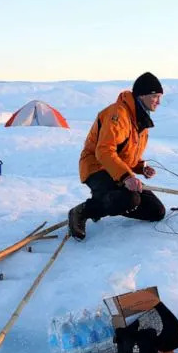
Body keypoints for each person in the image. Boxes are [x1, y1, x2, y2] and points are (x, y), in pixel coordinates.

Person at [68, 72, 166, 240]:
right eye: (155, 96)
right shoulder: (119, 114)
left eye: (160, 97)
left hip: (117, 170)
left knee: (156, 211)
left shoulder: (139, 119)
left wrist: (140, 168)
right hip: (97, 167)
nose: (159, 101)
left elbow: (126, 154)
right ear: (142, 95)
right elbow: (104, 151)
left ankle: (106, 200)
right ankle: (84, 211)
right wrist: (127, 176)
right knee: (129, 199)